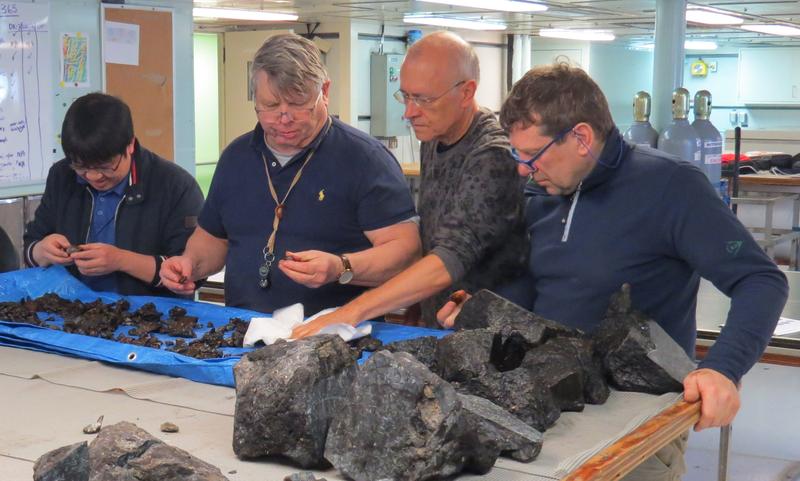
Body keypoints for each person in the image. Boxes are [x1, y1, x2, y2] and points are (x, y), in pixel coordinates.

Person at [439, 64, 788, 480]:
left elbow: (761, 281)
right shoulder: (541, 189)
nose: (522, 169)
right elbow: (531, 288)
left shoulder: (673, 188)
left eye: (531, 156)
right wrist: (478, 311)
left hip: (637, 422)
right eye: (518, 156)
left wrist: (723, 368)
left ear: (581, 138)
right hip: (546, 407)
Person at [160, 33, 420, 314]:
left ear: (325, 92)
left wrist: (341, 267)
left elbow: (405, 251)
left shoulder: (365, 160)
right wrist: (189, 265)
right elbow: (213, 238)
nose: (284, 119)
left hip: (335, 338)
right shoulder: (236, 158)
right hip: (243, 334)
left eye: (298, 104)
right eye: (270, 106)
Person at [291, 31, 527, 338]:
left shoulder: (492, 155)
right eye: (406, 96)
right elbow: (434, 239)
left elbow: (449, 259)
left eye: (424, 99)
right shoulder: (435, 134)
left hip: (490, 339)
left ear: (467, 92)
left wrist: (349, 313)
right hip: (440, 328)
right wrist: (417, 301)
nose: (409, 112)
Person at [24, 92, 204, 297]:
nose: (93, 176)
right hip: (70, 313)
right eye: (81, 167)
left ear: (130, 145)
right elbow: (32, 243)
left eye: (105, 166)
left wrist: (120, 260)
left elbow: (190, 272)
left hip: (150, 318)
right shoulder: (62, 175)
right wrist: (41, 251)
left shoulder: (174, 186)